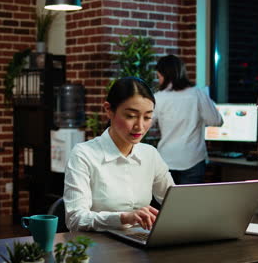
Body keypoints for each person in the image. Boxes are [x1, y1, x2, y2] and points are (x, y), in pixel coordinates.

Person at [63, 77, 175, 232]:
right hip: (99, 248)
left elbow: (176, 204)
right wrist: (123, 218)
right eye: (130, 116)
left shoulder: (150, 154)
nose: (140, 126)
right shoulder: (84, 154)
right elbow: (75, 219)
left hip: (140, 243)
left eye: (148, 117)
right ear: (109, 110)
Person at [153, 55, 223, 185]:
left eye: (159, 76)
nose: (159, 81)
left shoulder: (158, 98)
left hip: (166, 159)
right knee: (191, 204)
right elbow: (216, 121)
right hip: (193, 159)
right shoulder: (197, 94)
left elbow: (145, 124)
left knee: (167, 204)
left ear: (166, 75)